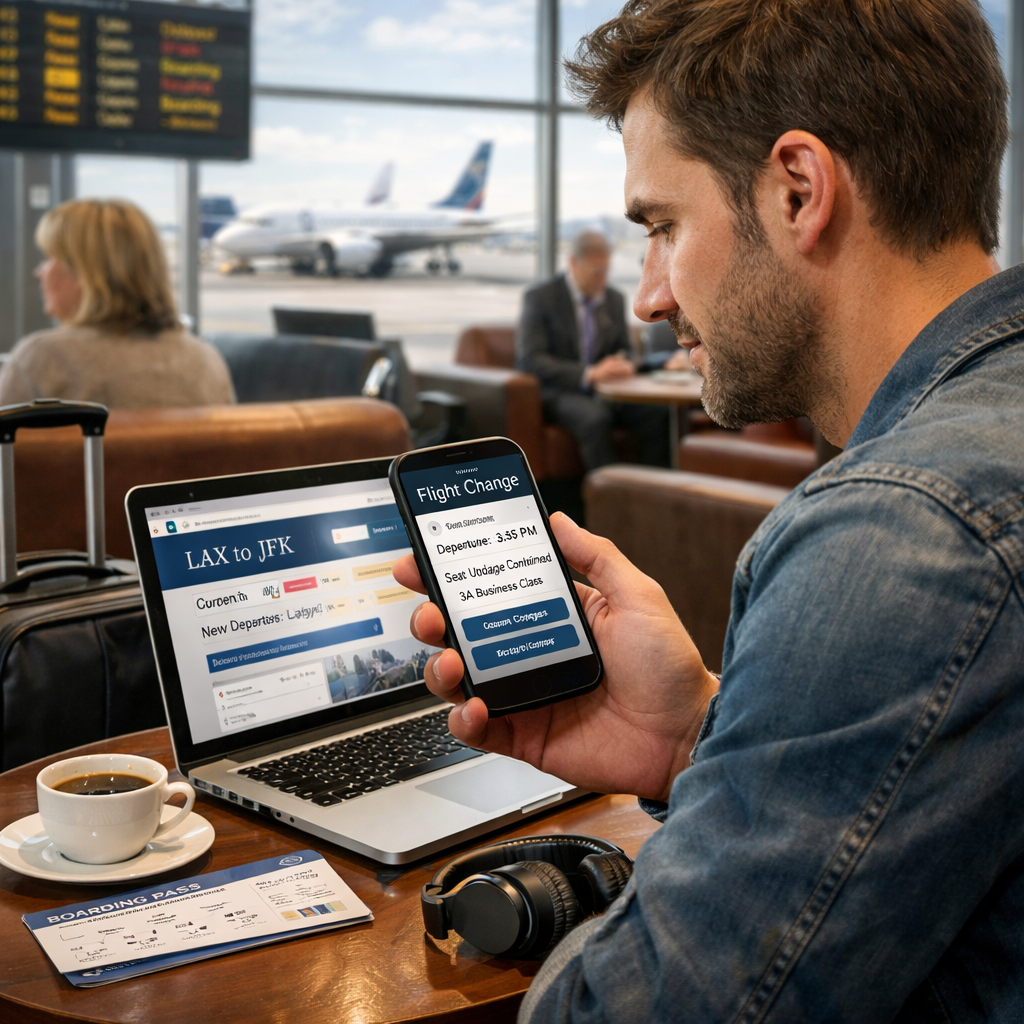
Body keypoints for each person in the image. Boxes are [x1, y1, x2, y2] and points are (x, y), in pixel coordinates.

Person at [393, 0, 1024, 1021]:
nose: (647, 295)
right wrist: (696, 734)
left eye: (661, 226)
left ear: (796, 190)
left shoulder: (901, 532)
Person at [0, 199, 235, 408]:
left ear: (86, 273)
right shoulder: (206, 360)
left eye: (51, 258)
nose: (40, 273)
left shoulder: (44, 357)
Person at [516, 229, 670, 468]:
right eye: (596, 272)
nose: (602, 279)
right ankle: (609, 499)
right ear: (573, 263)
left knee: (658, 414)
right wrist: (588, 374)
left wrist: (622, 364)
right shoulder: (540, 297)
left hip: (606, 388)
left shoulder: (613, 298)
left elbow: (626, 350)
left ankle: (651, 490)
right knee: (595, 420)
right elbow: (531, 359)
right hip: (561, 389)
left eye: (606, 271)